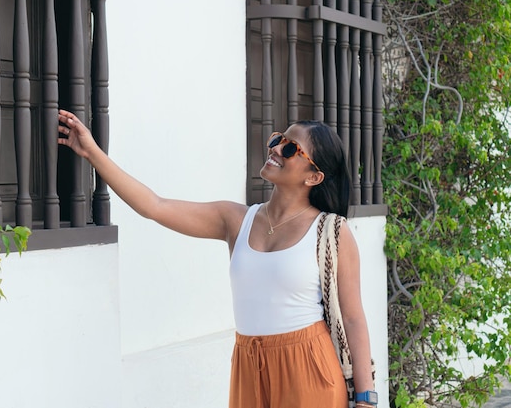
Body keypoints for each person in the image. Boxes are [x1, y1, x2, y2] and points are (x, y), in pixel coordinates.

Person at [57, 109, 376, 408]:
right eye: (279, 139)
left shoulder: (331, 231)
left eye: (291, 149)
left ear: (313, 177)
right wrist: (91, 152)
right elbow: (154, 206)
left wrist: (365, 399)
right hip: (248, 365)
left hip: (309, 365)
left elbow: (353, 318)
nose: (276, 148)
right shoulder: (236, 220)